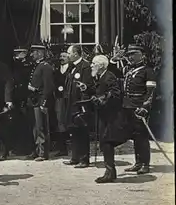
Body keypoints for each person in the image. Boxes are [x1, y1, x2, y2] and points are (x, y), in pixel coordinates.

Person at [86, 55, 123, 183]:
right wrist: (87, 89)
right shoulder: (100, 76)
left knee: (107, 142)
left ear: (101, 66)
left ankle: (110, 172)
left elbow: (115, 94)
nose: (91, 65)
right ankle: (110, 171)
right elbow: (99, 90)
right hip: (103, 115)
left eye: (93, 63)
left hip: (110, 116)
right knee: (104, 142)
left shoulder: (109, 76)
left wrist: (101, 99)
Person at [121, 45, 156, 175]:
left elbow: (150, 92)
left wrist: (144, 107)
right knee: (135, 137)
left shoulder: (148, 71)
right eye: (129, 54)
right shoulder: (129, 71)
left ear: (142, 56)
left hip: (140, 108)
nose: (131, 56)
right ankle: (138, 163)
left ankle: (145, 164)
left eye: (134, 54)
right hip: (128, 107)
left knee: (142, 137)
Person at [63, 44, 94, 168]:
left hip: (81, 104)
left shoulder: (85, 67)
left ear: (76, 53)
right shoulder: (72, 67)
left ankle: (84, 159)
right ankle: (75, 157)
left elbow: (89, 86)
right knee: (73, 130)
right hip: (71, 103)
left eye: (69, 53)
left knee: (82, 131)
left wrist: (84, 104)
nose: (68, 55)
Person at [26, 45, 55, 161]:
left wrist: (44, 101)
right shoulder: (37, 66)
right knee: (35, 127)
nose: (32, 55)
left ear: (40, 53)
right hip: (34, 101)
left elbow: (48, 86)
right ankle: (37, 150)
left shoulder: (45, 66)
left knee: (41, 127)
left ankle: (43, 152)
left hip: (40, 101)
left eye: (34, 52)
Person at [11, 48, 35, 155]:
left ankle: (27, 148)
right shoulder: (16, 64)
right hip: (17, 97)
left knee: (26, 123)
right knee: (17, 123)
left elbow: (25, 80)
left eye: (19, 54)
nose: (17, 56)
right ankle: (18, 147)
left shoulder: (28, 65)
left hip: (25, 97)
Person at [53, 51, 70, 156]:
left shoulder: (71, 69)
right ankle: (62, 148)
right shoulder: (56, 70)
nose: (62, 58)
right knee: (60, 121)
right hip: (59, 99)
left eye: (64, 56)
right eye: (60, 56)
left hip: (70, 99)